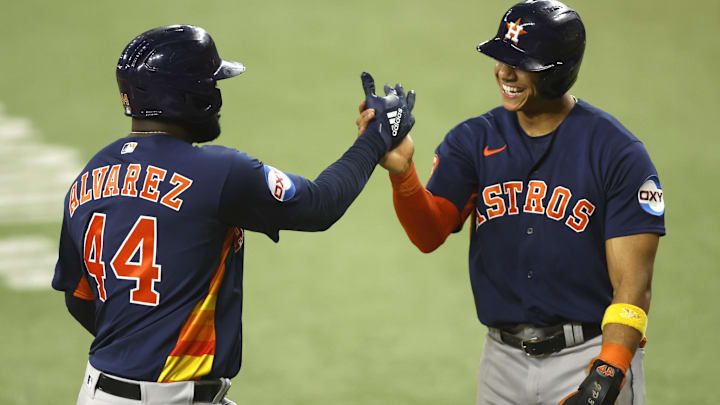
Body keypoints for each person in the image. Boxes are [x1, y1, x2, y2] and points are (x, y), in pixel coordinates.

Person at [52, 24, 415, 405]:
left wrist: (141, 350)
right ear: (189, 96)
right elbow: (320, 204)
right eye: (211, 84)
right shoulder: (217, 172)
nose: (217, 95)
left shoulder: (88, 177)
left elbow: (79, 298)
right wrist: (376, 136)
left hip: (103, 391)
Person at [357, 1, 665, 404]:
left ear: (558, 71)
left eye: (522, 63)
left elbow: (633, 285)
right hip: (501, 363)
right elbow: (429, 233)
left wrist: (608, 370)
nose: (504, 72)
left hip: (590, 355)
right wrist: (402, 173)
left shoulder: (616, 153)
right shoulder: (473, 140)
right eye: (501, 58)